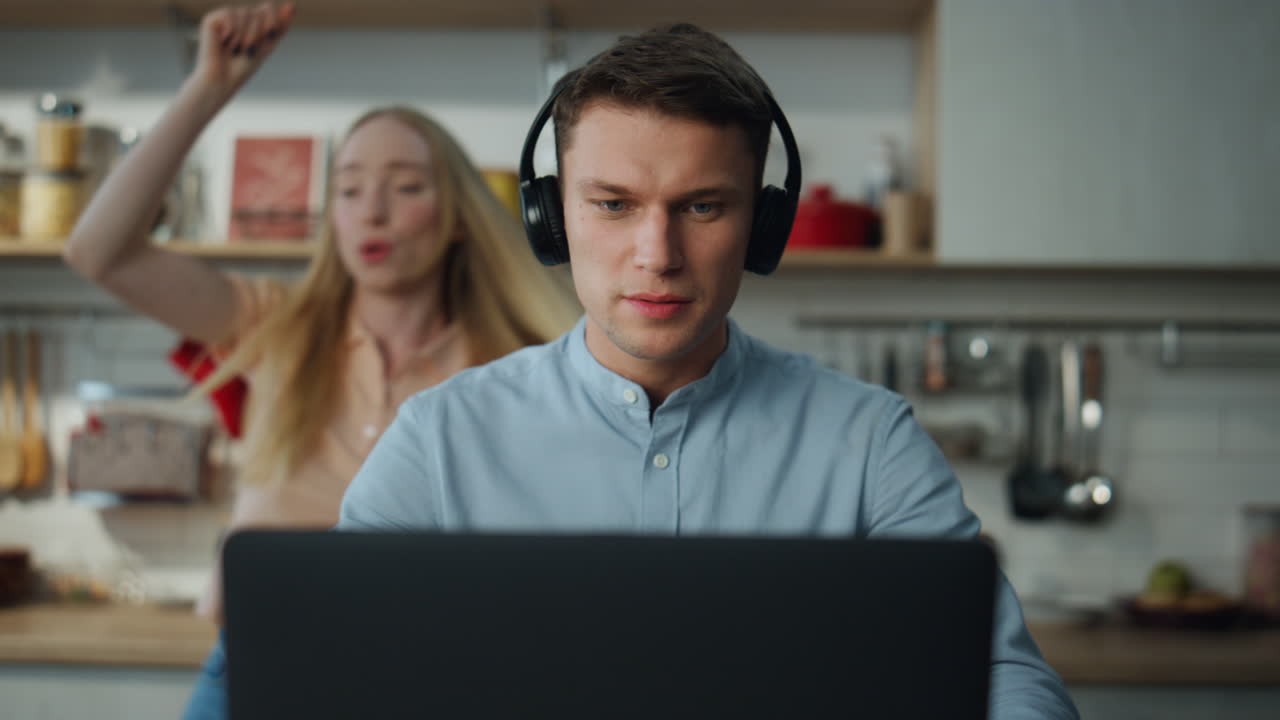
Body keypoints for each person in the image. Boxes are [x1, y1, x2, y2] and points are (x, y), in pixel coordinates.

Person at [338, 23, 1079, 719]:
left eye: (701, 206)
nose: (656, 254)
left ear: (761, 226)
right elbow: (337, 671)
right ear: (555, 217)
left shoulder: (871, 442)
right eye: (614, 204)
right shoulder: (440, 440)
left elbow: (999, 677)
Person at [62, 3, 579, 717]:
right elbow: (97, 251)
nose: (373, 210)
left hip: (425, 675)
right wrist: (209, 85)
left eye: (405, 187)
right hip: (252, 661)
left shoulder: (513, 369)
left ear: (458, 216)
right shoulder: (274, 324)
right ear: (330, 215)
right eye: (349, 188)